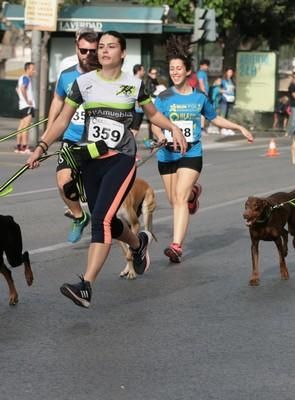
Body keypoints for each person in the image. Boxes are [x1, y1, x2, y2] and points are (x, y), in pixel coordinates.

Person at [26, 31, 187, 308]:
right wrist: (41, 146)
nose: (104, 51)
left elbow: (152, 114)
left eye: (111, 46)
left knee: (100, 219)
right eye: (101, 47)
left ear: (123, 53)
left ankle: (85, 285)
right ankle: (138, 244)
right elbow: (63, 119)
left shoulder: (135, 85)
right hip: (91, 159)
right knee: (109, 221)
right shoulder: (83, 83)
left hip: (121, 159)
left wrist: (172, 128)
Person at [151, 37, 254, 263]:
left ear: (188, 71)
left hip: (191, 153)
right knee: (173, 199)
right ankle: (193, 193)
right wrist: (160, 137)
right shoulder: (163, 97)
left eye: (179, 68)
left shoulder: (199, 97)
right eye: (171, 69)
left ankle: (176, 246)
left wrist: (239, 127)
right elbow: (154, 122)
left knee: (179, 197)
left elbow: (215, 118)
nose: (175, 72)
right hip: (167, 154)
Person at [40, 31, 99, 243]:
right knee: (63, 181)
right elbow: (56, 105)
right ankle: (79, 216)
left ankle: (109, 231)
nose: (88, 55)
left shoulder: (104, 75)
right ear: (76, 48)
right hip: (72, 139)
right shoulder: (66, 76)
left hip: (97, 143)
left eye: (93, 51)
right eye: (83, 50)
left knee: (96, 195)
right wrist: (44, 140)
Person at [15, 62, 36, 154]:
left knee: (21, 127)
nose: (34, 71)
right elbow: (23, 88)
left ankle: (19, 147)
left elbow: (17, 89)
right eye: (33, 69)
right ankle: (25, 147)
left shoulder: (21, 78)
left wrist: (21, 98)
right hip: (27, 106)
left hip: (22, 105)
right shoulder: (26, 78)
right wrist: (27, 101)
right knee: (26, 128)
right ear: (27, 69)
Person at [131, 64, 145, 137]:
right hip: (137, 110)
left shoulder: (131, 80)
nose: (144, 72)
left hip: (135, 109)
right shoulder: (138, 82)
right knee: (135, 129)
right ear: (139, 71)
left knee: (134, 129)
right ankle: (130, 146)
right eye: (143, 70)